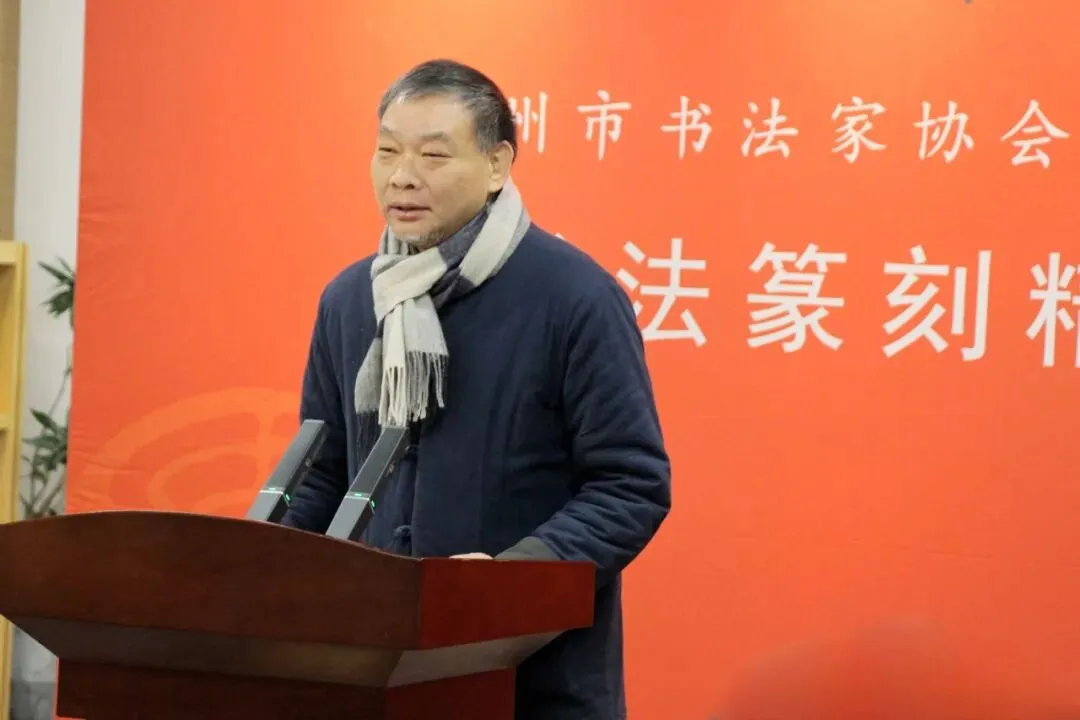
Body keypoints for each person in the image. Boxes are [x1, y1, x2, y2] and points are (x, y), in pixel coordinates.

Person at [281, 58, 671, 720]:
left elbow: (630, 486)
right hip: (370, 678)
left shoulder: (574, 297)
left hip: (529, 681)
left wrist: (507, 580)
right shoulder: (350, 300)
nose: (402, 176)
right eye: (387, 152)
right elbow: (323, 475)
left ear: (497, 165)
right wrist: (259, 581)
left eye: (433, 156)